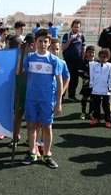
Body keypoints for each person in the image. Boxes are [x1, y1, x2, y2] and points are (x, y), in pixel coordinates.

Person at [22, 29, 63, 169]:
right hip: (31, 99)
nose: (43, 44)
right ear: (35, 42)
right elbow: (20, 73)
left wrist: (59, 102)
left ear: (49, 43)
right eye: (40, 41)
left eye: (45, 41)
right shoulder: (29, 58)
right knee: (32, 126)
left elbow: (59, 82)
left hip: (47, 100)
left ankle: (47, 154)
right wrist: (22, 54)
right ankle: (32, 153)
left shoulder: (54, 60)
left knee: (47, 126)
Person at [89, 48, 111, 128]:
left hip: (105, 90)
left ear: (108, 57)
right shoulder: (94, 65)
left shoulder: (109, 66)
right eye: (101, 56)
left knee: (106, 106)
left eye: (104, 57)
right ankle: (96, 118)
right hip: (96, 89)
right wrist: (92, 85)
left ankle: (108, 120)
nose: (102, 58)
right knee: (96, 105)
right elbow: (92, 76)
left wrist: (109, 85)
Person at [62, 19, 85, 102]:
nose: (76, 29)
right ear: (71, 27)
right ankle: (62, 96)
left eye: (78, 27)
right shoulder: (66, 35)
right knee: (65, 78)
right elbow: (63, 48)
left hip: (77, 61)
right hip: (68, 61)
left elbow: (83, 48)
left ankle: (72, 95)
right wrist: (70, 40)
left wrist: (82, 59)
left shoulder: (81, 36)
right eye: (75, 27)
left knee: (75, 80)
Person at [78, 46, 95, 120]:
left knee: (92, 99)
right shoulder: (83, 62)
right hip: (86, 84)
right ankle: (83, 112)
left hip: (95, 84)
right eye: (89, 52)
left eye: (92, 52)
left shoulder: (97, 61)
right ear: (86, 53)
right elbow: (79, 71)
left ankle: (91, 113)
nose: (91, 54)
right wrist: (85, 75)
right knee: (84, 98)